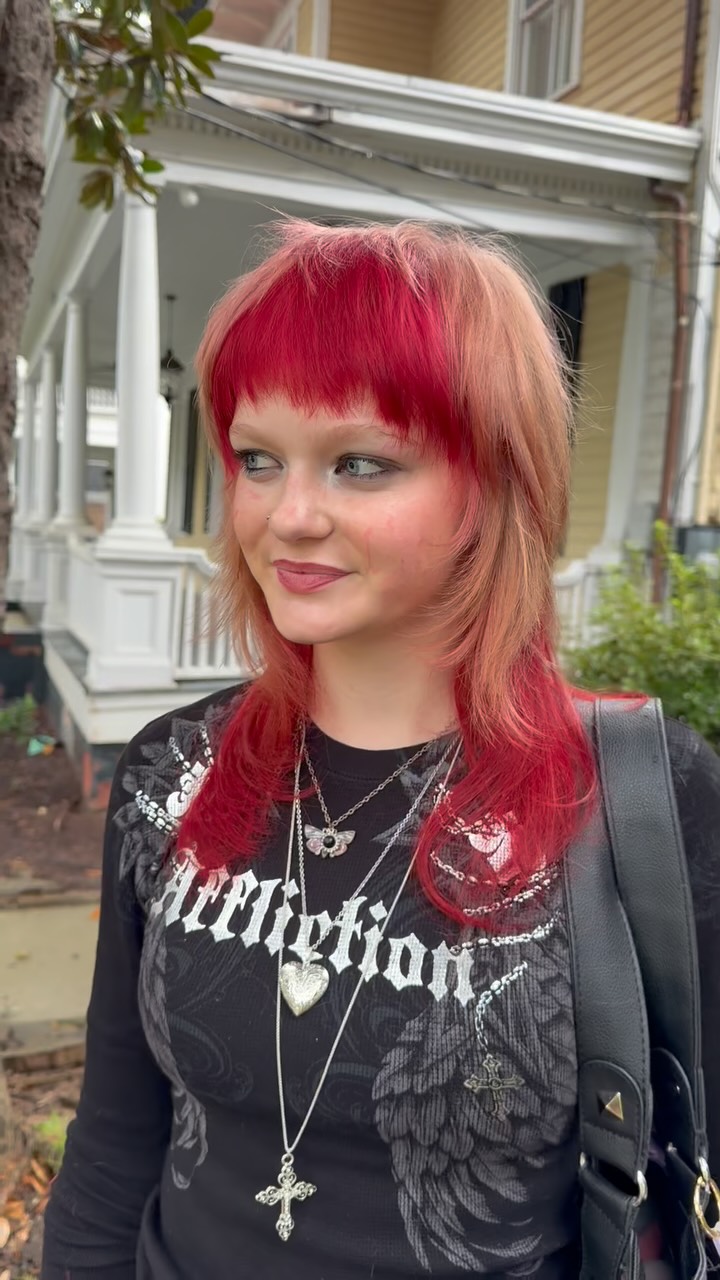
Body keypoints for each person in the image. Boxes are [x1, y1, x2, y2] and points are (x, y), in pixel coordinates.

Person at [41, 220, 720, 1280]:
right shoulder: (172, 775)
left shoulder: (644, 798)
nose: (288, 514)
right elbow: (116, 1139)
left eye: (361, 462)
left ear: (493, 482)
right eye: (259, 458)